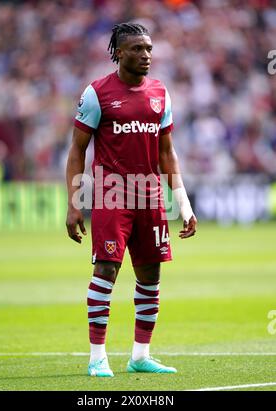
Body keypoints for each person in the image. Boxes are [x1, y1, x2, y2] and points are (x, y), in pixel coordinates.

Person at [66, 22, 197, 377]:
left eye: (149, 49)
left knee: (150, 275)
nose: (146, 55)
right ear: (118, 53)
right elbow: (77, 150)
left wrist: (184, 206)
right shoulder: (97, 93)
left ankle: (140, 355)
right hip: (112, 195)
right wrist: (75, 202)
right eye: (137, 49)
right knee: (106, 270)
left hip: (151, 196)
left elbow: (167, 154)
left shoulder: (160, 93)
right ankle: (97, 356)